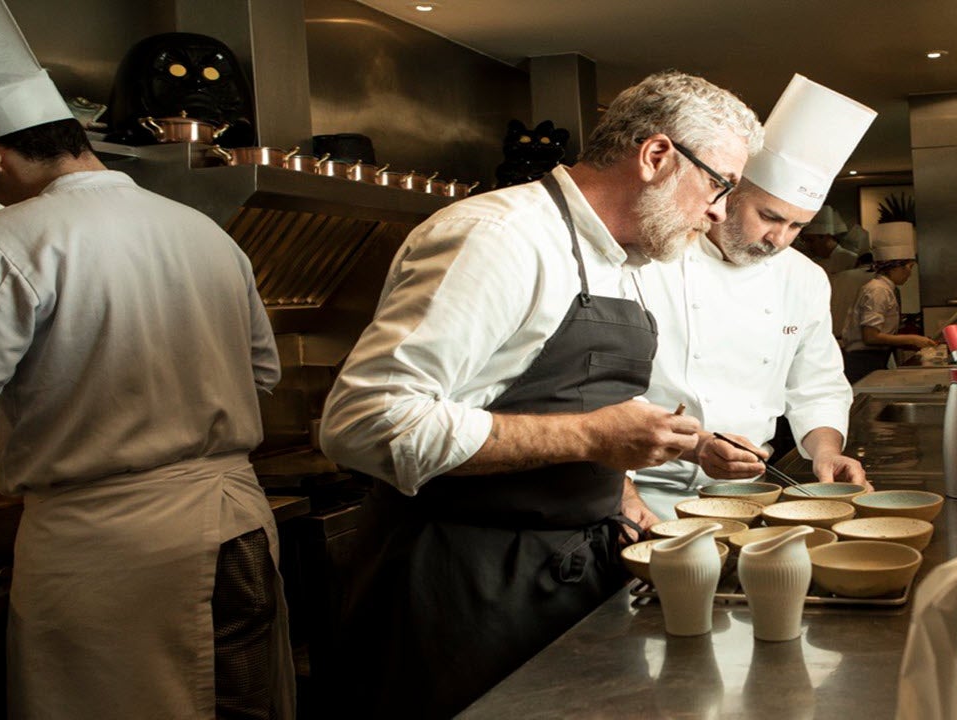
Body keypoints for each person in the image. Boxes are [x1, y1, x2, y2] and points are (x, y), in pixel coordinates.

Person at [318, 70, 762, 717]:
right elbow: (364, 421)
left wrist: (663, 463)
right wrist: (591, 439)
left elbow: (585, 406)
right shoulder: (500, 237)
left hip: (569, 581)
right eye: (719, 184)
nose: (721, 209)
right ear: (657, 155)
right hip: (464, 593)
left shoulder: (625, 260)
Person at [0, 3, 293, 718]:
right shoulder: (205, 233)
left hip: (110, 557)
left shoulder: (0, 242)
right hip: (238, 526)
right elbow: (262, 375)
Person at [632, 74, 874, 520]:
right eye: (769, 216)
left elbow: (816, 384)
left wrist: (825, 451)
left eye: (798, 226)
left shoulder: (804, 279)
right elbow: (610, 391)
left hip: (747, 493)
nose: (779, 239)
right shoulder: (651, 259)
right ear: (729, 191)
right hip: (642, 490)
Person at [841, 222, 941, 383]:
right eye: (909, 267)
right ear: (896, 267)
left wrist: (914, 343)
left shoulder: (885, 289)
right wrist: (911, 339)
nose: (909, 273)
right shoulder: (878, 290)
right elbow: (870, 337)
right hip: (862, 363)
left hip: (873, 360)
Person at [829, 250, 876, 345]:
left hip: (835, 338)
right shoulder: (878, 280)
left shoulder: (838, 277)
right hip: (862, 342)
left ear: (858, 262)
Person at [799, 206, 859, 275]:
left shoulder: (851, 259)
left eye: (811, 241)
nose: (808, 245)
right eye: (805, 241)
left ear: (826, 237)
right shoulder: (813, 263)